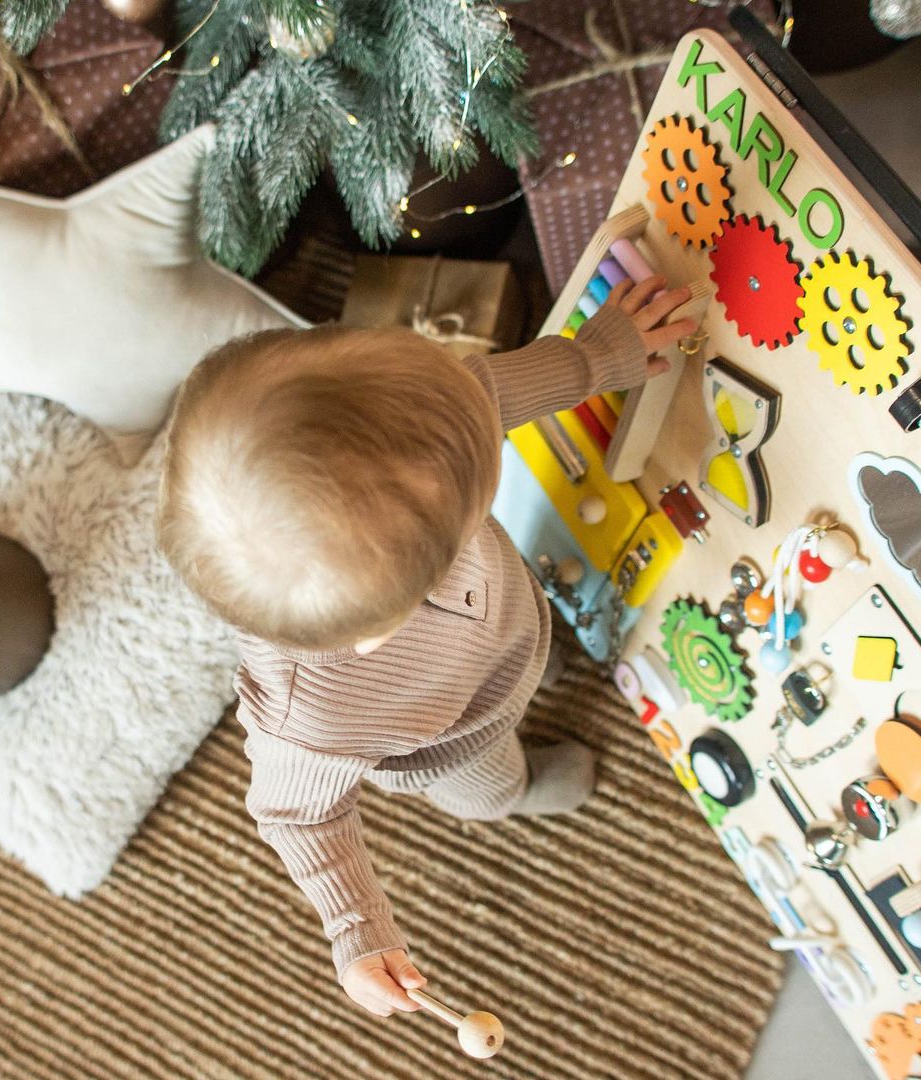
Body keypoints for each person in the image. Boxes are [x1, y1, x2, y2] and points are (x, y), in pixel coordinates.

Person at [157, 275, 696, 1019]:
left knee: (529, 639)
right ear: (385, 627)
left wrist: (598, 357)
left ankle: (534, 662)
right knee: (490, 781)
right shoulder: (310, 721)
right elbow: (297, 817)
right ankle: (514, 794)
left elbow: (486, 392)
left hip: (506, 620)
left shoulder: (402, 425)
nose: (485, 434)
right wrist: (356, 931)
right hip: (456, 737)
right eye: (477, 490)